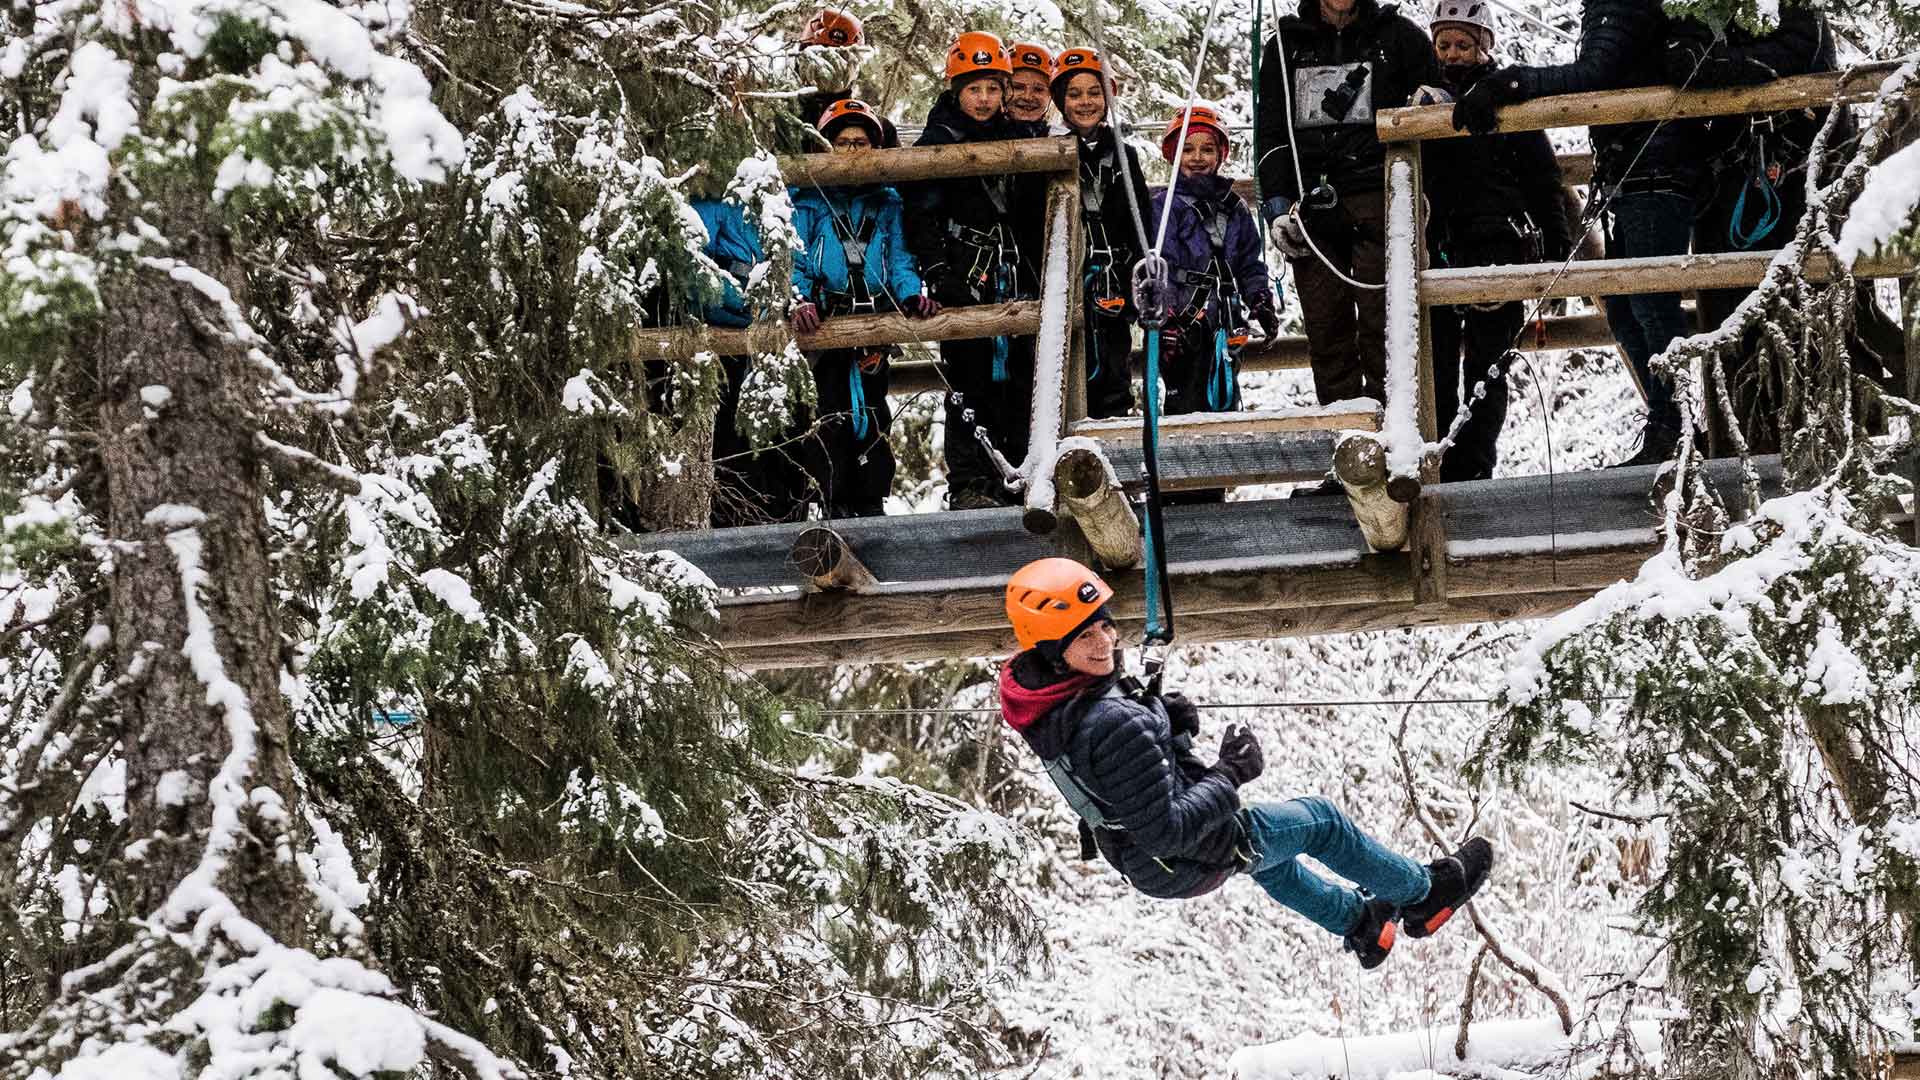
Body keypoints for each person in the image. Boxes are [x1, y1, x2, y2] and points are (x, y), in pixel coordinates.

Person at [998, 557, 1494, 969]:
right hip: (1180, 855)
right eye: (1086, 638)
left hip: (1148, 865)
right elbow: (1167, 829)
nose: (1105, 643)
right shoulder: (1110, 723)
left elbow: (1125, 778)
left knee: (1268, 856)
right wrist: (1230, 771)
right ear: (1053, 649)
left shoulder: (1046, 703)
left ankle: (1363, 926)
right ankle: (1424, 895)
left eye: (1106, 626)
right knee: (1320, 822)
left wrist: (1169, 728)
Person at [1450, 0, 1699, 468]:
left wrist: (1515, 81)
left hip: (1654, 169)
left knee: (1648, 303)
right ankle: (1671, 424)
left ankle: (1679, 426)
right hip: (1634, 169)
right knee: (1625, 310)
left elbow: (1595, 72)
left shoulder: (1618, 8)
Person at [1672, 8, 1906, 453]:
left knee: (1831, 304)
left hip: (1811, 173)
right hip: (1737, 183)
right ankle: (1749, 438)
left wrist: (1728, 67)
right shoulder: (1703, 11)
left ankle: (1847, 432)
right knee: (1739, 311)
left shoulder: (1795, 10)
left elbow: (1799, 48)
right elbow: (1685, 59)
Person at [1254, 0, 1438, 415]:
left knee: (1386, 326)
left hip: (1381, 200)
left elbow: (1442, 103)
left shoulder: (1400, 37)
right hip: (1312, 207)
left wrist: (1434, 101)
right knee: (1327, 332)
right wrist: (1278, 206)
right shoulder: (1285, 47)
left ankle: (1395, 443)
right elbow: (1271, 130)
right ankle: (1348, 447)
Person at [1415, 0, 1569, 482]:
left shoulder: (1508, 101)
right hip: (1441, 243)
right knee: (1436, 364)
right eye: (1444, 44)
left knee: (1488, 365)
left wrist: (1558, 246)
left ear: (1483, 47)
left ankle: (1476, 465)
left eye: (1464, 44)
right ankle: (1437, 461)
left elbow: (1544, 179)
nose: (1453, 54)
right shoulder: (1422, 98)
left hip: (1500, 243)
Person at [905, 32, 1046, 510]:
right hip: (965, 273)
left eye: (992, 89)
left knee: (1021, 376)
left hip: (1013, 271)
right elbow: (919, 213)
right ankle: (969, 483)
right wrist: (939, 270)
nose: (984, 100)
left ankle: (1019, 475)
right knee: (969, 379)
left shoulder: (1016, 136)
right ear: (956, 90)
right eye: (974, 89)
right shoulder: (938, 140)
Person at [788, 100, 942, 517]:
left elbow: (901, 257)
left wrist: (911, 293)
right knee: (829, 412)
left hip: (875, 319)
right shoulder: (807, 199)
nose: (853, 150)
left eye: (861, 142)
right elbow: (795, 257)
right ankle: (833, 504)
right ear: (825, 147)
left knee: (872, 412)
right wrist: (799, 298)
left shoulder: (888, 201)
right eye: (843, 142)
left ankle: (871, 501)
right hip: (826, 321)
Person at [1150, 105, 1280, 484]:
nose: (1198, 158)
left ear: (1221, 155)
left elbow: (1249, 263)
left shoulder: (1233, 207)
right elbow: (1160, 265)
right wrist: (1168, 317)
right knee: (1184, 403)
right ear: (1174, 154)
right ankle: (1180, 488)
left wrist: (1260, 301)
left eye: (1207, 149)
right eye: (1188, 149)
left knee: (1222, 399)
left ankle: (1216, 484)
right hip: (1183, 323)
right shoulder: (1163, 206)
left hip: (1224, 322)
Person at [686, 198, 808, 527]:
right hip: (727, 333)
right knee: (733, 428)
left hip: (778, 335)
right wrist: (745, 302)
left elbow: (802, 262)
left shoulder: (785, 203)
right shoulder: (709, 208)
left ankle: (788, 516)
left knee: (785, 425)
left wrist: (794, 300)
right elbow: (695, 268)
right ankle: (735, 520)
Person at [1052, 47, 1154, 419]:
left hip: (1115, 279)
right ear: (1061, 100)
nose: (1085, 102)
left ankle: (1114, 444)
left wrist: (1140, 274)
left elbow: (1140, 217)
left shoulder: (1124, 155)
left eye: (1094, 93)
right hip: (1070, 279)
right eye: (1074, 94)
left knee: (1114, 365)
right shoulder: (1050, 151)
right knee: (1069, 370)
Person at [792, 9, 901, 150]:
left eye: (843, 58)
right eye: (822, 55)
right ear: (803, 58)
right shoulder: (783, 125)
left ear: (855, 64)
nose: (832, 67)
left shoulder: (879, 129)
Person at [1007, 42, 1056, 133]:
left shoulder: (1063, 138)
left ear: (1050, 95)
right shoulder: (974, 137)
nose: (1027, 97)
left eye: (1038, 89)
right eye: (1018, 87)